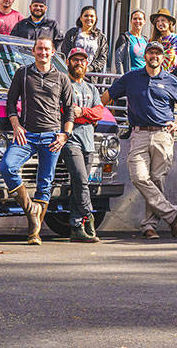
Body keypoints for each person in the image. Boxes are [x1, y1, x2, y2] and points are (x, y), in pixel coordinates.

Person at [102, 41, 177, 239]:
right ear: (145, 56)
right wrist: (96, 113)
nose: (154, 56)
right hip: (139, 134)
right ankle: (170, 212)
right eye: (151, 52)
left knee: (157, 180)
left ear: (163, 58)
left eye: (158, 53)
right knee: (138, 177)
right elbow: (107, 96)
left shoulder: (171, 80)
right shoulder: (132, 77)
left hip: (163, 135)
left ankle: (149, 226)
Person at [0, 36, 76, 245]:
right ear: (33, 51)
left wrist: (65, 134)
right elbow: (10, 104)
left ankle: (34, 232)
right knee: (7, 166)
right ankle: (30, 208)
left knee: (45, 182)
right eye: (39, 49)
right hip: (27, 135)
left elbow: (70, 109)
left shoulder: (62, 78)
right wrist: (16, 126)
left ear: (53, 52)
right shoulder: (23, 74)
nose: (43, 52)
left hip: (52, 136)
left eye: (47, 49)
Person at [62, 47, 105, 242]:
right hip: (71, 140)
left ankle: (76, 226)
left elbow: (99, 113)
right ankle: (89, 215)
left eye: (83, 60)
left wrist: (83, 113)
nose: (79, 63)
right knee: (80, 180)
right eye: (75, 60)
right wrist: (82, 115)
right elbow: (65, 110)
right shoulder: (64, 84)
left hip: (89, 142)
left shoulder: (92, 88)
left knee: (80, 184)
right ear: (69, 62)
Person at [59, 5, 110, 73]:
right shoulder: (72, 33)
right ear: (81, 18)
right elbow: (65, 52)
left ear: (96, 19)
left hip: (91, 76)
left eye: (92, 16)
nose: (89, 18)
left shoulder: (101, 37)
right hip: (72, 73)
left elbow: (102, 58)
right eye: (86, 16)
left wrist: (90, 68)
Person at [148, 8, 177, 72]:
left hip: (172, 77)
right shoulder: (152, 41)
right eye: (157, 21)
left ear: (169, 22)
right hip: (154, 77)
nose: (160, 23)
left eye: (163, 20)